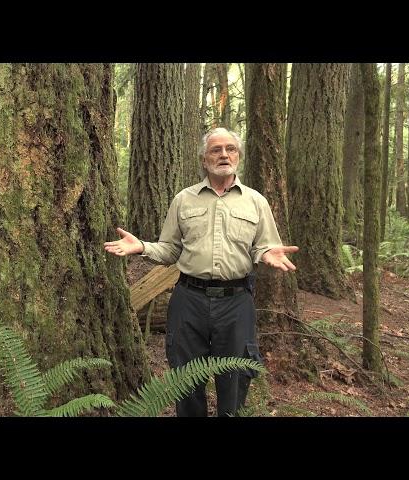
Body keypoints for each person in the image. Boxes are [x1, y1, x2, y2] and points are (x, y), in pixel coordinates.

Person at [104, 127, 298, 417]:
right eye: (215, 149)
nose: (224, 155)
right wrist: (141, 247)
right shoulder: (184, 200)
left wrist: (267, 252)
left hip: (236, 301)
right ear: (203, 159)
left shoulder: (256, 202)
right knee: (185, 380)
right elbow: (170, 250)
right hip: (188, 299)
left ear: (239, 155)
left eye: (230, 149)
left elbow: (264, 246)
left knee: (234, 378)